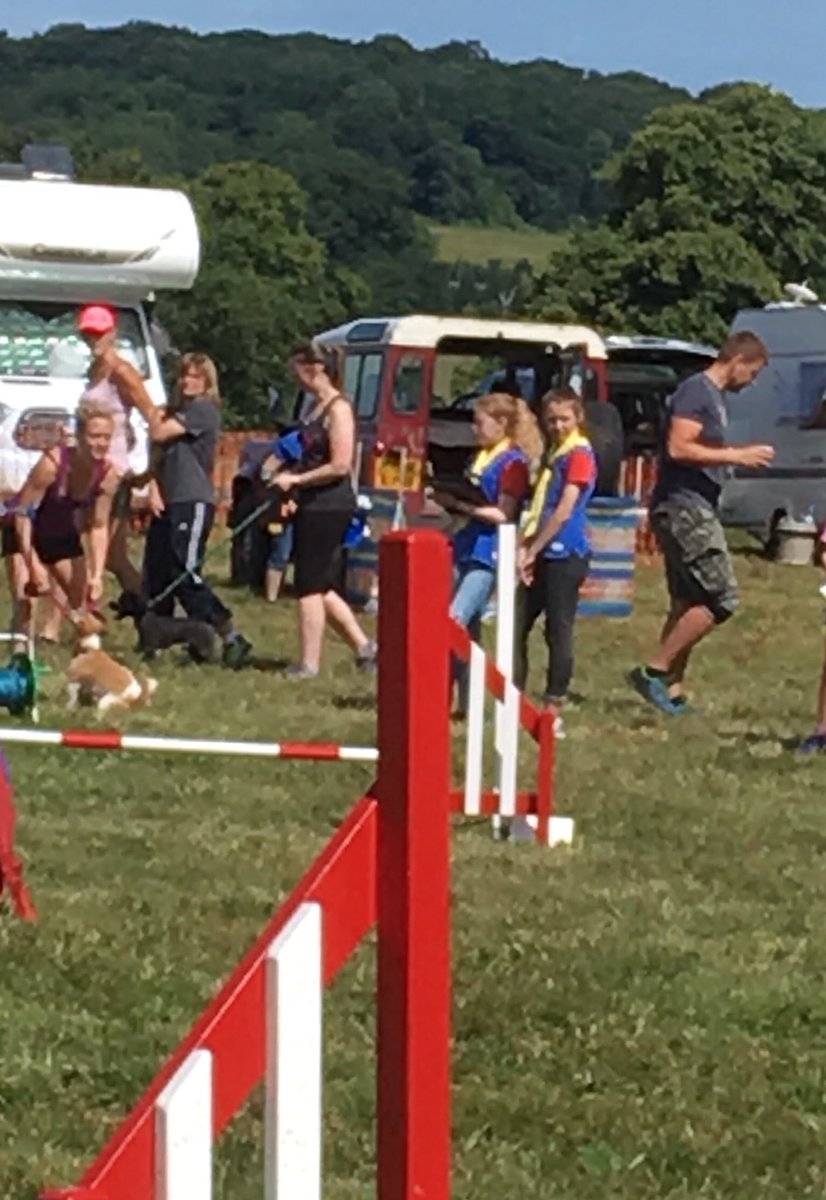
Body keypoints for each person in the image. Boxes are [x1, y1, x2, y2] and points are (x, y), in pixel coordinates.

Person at [629, 331, 773, 714]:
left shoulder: (712, 397)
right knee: (720, 598)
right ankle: (654, 671)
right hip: (685, 507)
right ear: (738, 361)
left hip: (685, 504)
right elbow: (679, 446)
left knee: (686, 601)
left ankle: (671, 692)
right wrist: (737, 456)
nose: (751, 382)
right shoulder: (697, 391)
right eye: (753, 373)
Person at [129, 352, 252, 668]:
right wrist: (151, 486)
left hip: (192, 500)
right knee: (157, 570)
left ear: (207, 382)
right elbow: (158, 457)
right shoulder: (177, 413)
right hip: (169, 500)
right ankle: (156, 639)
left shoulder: (202, 411)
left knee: (184, 572)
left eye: (196, 376)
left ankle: (228, 633)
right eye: (184, 375)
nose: (188, 382)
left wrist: (150, 412)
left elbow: (157, 433)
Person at [266, 343, 374, 678]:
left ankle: (309, 664)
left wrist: (297, 478)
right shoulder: (315, 407)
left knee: (308, 586)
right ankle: (365, 648)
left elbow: (340, 465)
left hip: (331, 503)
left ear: (315, 369)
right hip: (311, 500)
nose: (295, 379)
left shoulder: (339, 409)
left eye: (298, 371)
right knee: (321, 583)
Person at [430, 392, 540, 713]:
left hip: (489, 550)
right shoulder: (481, 458)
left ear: (502, 424)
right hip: (466, 544)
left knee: (454, 620)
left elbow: (503, 514)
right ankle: (466, 703)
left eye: (480, 424)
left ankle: (442, 694)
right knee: (470, 634)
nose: (474, 431)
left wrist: (460, 504)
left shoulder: (513, 464)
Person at [515, 388, 597, 729]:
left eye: (564, 419)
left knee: (557, 629)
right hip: (542, 547)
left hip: (567, 551)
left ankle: (554, 707)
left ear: (578, 418)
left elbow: (563, 510)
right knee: (517, 623)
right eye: (551, 419)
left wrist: (533, 550)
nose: (557, 425)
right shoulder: (554, 453)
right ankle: (513, 698)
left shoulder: (578, 453)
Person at [4, 403, 118, 614]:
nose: (100, 443)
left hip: (58, 531)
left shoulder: (108, 475)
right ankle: (21, 643)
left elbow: (99, 526)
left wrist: (97, 575)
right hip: (23, 528)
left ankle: (86, 646)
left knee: (83, 603)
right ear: (80, 435)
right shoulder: (53, 464)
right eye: (94, 436)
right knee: (27, 602)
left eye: (106, 437)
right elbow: (22, 514)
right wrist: (33, 564)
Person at [76, 303, 147, 594]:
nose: (94, 339)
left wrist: (149, 468)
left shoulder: (121, 371)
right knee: (113, 557)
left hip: (113, 468)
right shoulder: (95, 369)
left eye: (99, 333)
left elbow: (150, 413)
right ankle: (151, 610)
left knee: (97, 538)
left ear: (113, 334)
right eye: (89, 334)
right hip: (90, 463)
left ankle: (94, 604)